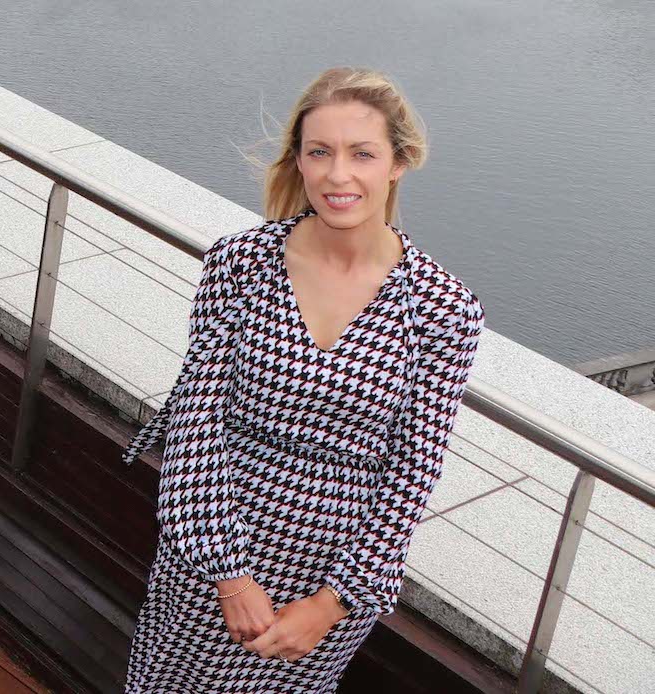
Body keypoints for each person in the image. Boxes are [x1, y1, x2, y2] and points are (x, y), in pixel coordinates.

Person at [120, 68, 483, 692]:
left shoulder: (443, 307)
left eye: (362, 154)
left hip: (331, 574)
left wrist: (334, 602)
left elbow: (412, 470)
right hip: (212, 545)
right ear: (299, 161)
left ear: (399, 164)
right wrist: (227, 574)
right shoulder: (241, 263)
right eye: (320, 153)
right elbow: (197, 420)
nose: (339, 175)